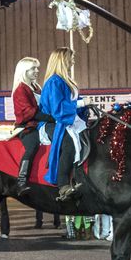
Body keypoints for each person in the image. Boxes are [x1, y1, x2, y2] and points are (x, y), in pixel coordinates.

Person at [38, 48, 91, 201]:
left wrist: (84, 106)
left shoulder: (67, 80)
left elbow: (74, 104)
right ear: (63, 60)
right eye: (71, 58)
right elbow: (58, 109)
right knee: (67, 142)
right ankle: (63, 185)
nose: (73, 60)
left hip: (68, 121)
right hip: (53, 122)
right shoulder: (54, 81)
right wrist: (81, 103)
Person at [11, 56, 55, 196]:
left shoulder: (36, 87)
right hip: (27, 127)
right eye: (33, 69)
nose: (37, 71)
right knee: (32, 145)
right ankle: (21, 182)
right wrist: (51, 118)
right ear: (24, 71)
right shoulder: (20, 90)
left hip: (39, 123)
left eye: (37, 68)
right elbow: (29, 112)